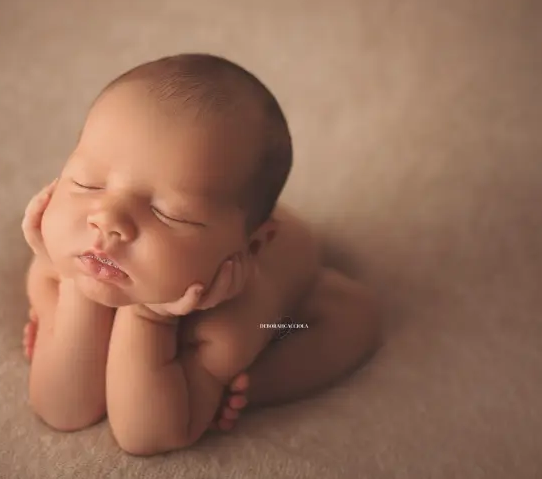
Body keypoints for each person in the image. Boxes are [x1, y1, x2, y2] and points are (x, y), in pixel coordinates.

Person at [21, 53, 382, 456]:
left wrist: (151, 318)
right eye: (87, 183)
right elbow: (63, 410)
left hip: (283, 316)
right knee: (54, 292)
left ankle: (248, 382)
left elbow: (145, 435)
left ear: (248, 248)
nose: (106, 220)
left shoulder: (226, 325)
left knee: (350, 320)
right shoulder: (62, 262)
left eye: (168, 213)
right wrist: (74, 287)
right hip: (169, 250)